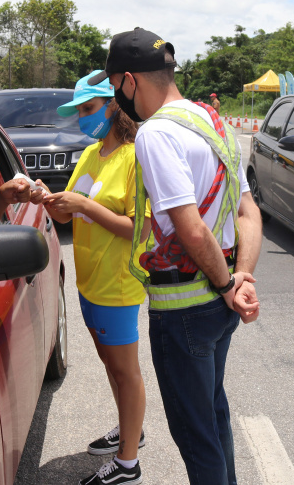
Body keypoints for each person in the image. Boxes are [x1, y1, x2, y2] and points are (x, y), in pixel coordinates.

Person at [89, 27, 262, 485]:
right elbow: (248, 213)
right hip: (219, 305)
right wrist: (240, 279)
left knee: (195, 433)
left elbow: (190, 228)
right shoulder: (216, 123)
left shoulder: (156, 134)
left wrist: (229, 285)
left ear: (129, 80)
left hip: (183, 308)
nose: (116, 98)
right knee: (214, 413)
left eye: (113, 87)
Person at [32, 71, 149, 485]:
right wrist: (49, 199)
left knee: (125, 371)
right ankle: (129, 428)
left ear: (113, 105)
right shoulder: (90, 153)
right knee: (110, 364)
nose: (82, 118)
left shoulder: (135, 156)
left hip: (117, 283)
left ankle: (128, 464)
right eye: (78, 111)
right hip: (89, 281)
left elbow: (141, 227)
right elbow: (69, 212)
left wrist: (82, 203)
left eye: (88, 109)